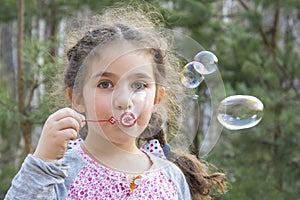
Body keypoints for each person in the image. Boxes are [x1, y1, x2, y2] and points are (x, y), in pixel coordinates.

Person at [5, 5, 226, 200]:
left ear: (157, 98)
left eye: (139, 85)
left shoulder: (170, 176)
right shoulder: (61, 171)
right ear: (77, 98)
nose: (123, 101)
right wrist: (41, 162)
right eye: (105, 84)